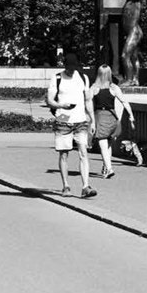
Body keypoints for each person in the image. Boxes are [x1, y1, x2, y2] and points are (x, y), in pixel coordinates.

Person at [45, 51, 97, 197]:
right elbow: (49, 100)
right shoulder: (57, 78)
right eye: (69, 67)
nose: (72, 70)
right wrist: (61, 105)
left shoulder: (83, 77)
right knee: (64, 154)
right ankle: (66, 186)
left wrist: (92, 120)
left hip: (80, 120)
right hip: (63, 120)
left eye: (74, 67)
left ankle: (86, 186)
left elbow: (87, 100)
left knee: (83, 153)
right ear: (65, 65)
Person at [89, 64, 134, 178]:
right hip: (112, 116)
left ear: (98, 74)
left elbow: (87, 102)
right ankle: (105, 167)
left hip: (101, 116)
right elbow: (124, 101)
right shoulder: (114, 87)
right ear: (109, 74)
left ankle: (109, 168)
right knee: (108, 144)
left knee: (102, 143)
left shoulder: (94, 88)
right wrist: (131, 115)